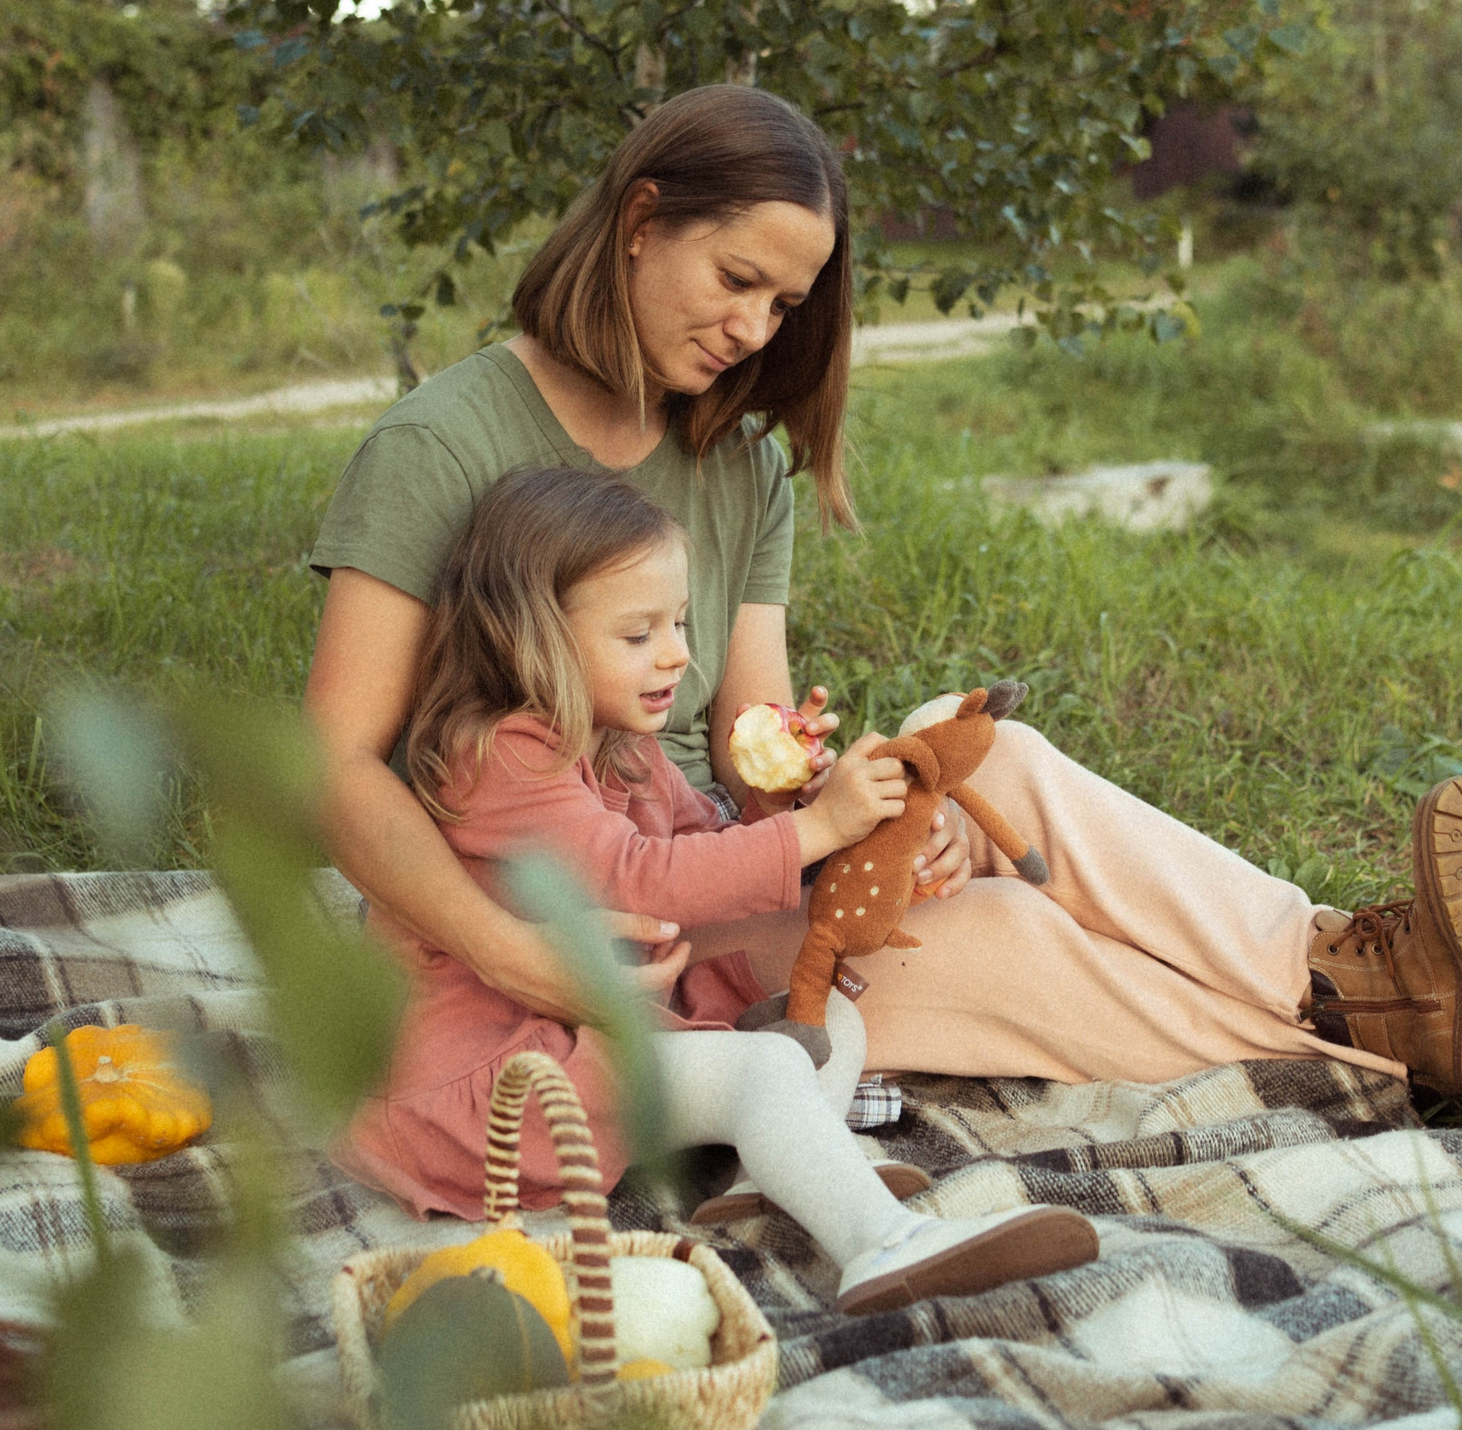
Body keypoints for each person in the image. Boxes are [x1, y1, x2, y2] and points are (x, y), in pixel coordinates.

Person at [304, 83, 1462, 1148]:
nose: (756, 331)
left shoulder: (736, 463)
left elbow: (751, 752)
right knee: (1014, 945)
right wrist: (512, 952)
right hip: (539, 928)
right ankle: (1405, 1036)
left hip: (684, 880)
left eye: (786, 306)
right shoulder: (445, 441)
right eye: (737, 282)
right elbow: (334, 767)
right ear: (643, 216)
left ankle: (1334, 963)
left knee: (991, 763)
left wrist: (862, 793)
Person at [333, 465, 1099, 1313]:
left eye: (682, 622)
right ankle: (881, 1242)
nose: (679, 654)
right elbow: (641, 875)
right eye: (638, 635)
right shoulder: (502, 757)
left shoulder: (624, 746)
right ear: (530, 639)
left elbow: (706, 848)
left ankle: (771, 1175)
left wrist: (781, 800)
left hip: (582, 1043)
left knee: (819, 1014)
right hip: (496, 1089)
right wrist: (814, 831)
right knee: (763, 1064)